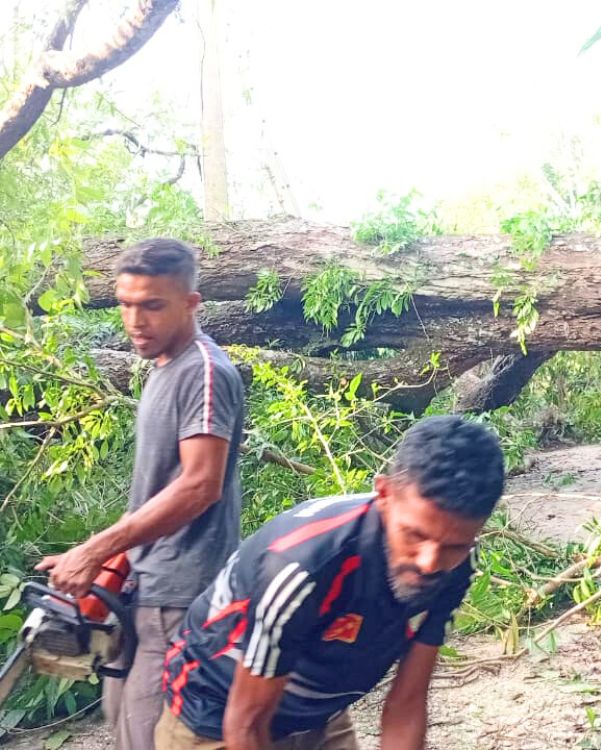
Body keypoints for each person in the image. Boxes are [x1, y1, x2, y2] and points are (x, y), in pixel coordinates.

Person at [155, 415, 505, 750]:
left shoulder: (456, 565)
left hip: (314, 715)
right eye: (414, 535)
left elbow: (407, 703)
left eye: (454, 546)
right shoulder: (304, 565)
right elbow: (245, 723)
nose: (429, 562)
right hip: (216, 715)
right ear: (383, 494)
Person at [37, 239, 245, 750]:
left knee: (152, 735)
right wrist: (107, 559)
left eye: (152, 305)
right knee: (121, 717)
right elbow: (159, 488)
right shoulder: (163, 368)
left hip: (182, 592)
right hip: (143, 587)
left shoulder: (204, 371)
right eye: (125, 304)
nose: (135, 320)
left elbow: (200, 485)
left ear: (191, 303)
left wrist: (96, 550)